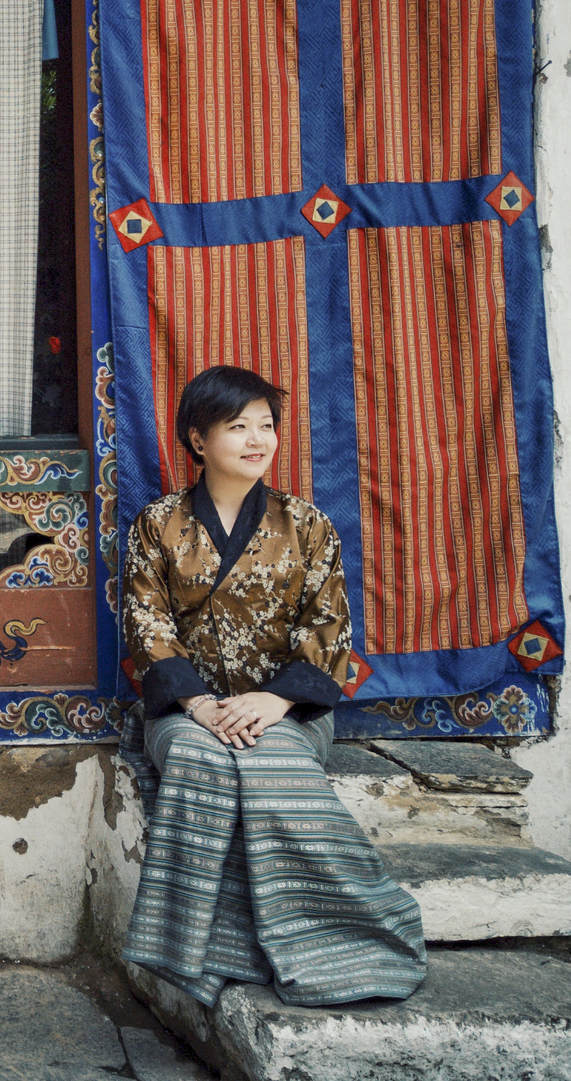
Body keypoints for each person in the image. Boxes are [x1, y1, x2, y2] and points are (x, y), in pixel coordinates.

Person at [119, 364, 426, 1009]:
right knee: (202, 763)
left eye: (267, 426)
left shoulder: (307, 524)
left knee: (270, 768)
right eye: (239, 427)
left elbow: (329, 625)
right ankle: (203, 952)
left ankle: (346, 936)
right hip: (185, 709)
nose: (258, 439)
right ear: (198, 440)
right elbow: (145, 622)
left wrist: (275, 701)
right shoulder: (158, 524)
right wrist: (199, 703)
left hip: (286, 711)